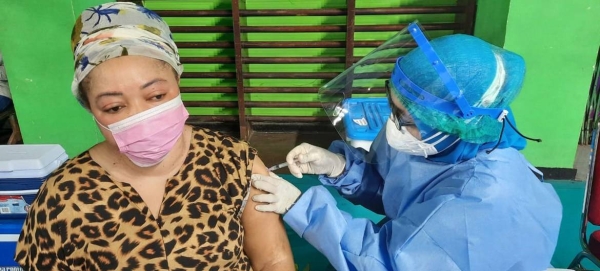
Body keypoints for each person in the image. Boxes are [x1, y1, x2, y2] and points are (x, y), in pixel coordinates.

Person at [251, 23, 563, 271]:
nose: (393, 126)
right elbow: (398, 194)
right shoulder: (434, 144)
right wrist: (340, 167)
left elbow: (387, 262)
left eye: (405, 118)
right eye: (393, 107)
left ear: (458, 123)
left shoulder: (482, 202)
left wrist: (301, 207)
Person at [14, 3, 294, 271]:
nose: (140, 116)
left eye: (156, 96)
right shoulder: (62, 196)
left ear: (177, 80)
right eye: (114, 107)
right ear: (90, 109)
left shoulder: (233, 162)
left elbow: (273, 261)